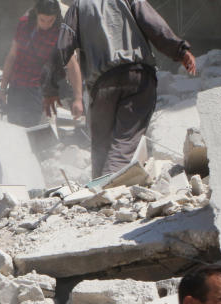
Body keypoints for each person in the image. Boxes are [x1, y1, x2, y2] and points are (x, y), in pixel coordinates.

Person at [42, 0, 197, 179]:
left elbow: (62, 47)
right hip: (137, 78)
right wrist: (180, 51)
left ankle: (98, 193)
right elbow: (154, 25)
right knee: (125, 141)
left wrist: (49, 88)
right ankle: (109, 187)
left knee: (101, 146)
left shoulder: (78, 7)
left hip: (102, 86)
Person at [0, 0, 83, 126]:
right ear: (36, 14)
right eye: (42, 20)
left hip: (39, 92)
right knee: (14, 130)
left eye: (50, 21)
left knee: (34, 134)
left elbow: (72, 66)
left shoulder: (60, 34)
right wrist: (2, 89)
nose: (46, 25)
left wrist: (78, 98)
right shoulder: (24, 25)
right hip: (16, 88)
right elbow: (12, 56)